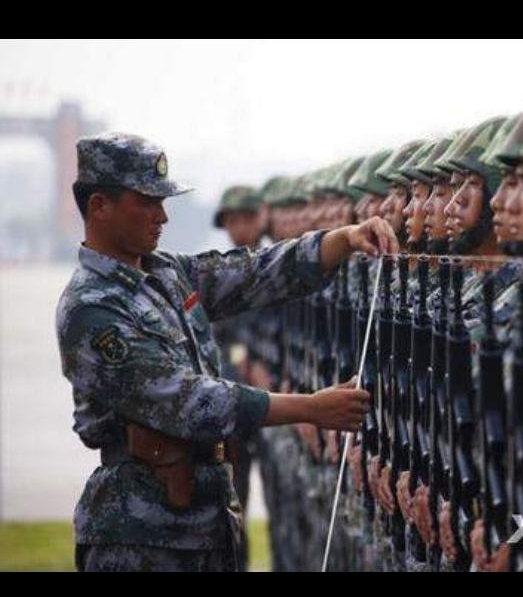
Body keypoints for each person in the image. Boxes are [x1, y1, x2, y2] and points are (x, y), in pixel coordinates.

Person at [57, 132, 399, 573]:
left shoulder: (164, 274)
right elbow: (187, 401)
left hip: (203, 525)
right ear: (99, 206)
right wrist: (312, 408)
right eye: (145, 202)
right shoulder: (92, 309)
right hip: (141, 537)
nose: (162, 215)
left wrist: (344, 239)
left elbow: (252, 272)